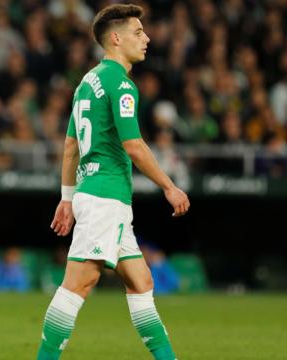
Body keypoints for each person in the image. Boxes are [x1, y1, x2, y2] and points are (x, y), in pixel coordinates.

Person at [36, 4, 189, 360]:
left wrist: (67, 197)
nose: (146, 38)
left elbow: (71, 145)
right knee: (78, 285)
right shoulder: (120, 83)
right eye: (138, 32)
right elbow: (133, 145)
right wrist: (169, 185)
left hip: (98, 196)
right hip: (105, 197)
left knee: (142, 282)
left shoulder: (86, 82)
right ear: (116, 39)